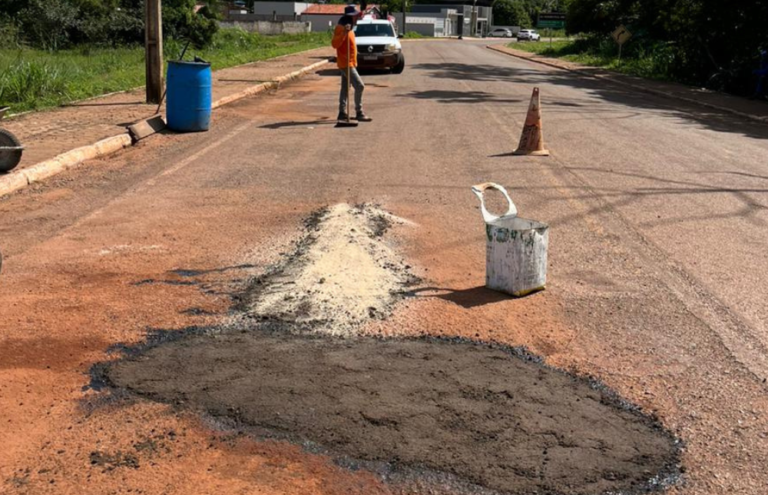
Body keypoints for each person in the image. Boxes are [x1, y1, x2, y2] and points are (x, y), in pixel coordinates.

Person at [331, 5, 372, 122]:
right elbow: (334, 44)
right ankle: (359, 112)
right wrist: (344, 32)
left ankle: (342, 112)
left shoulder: (351, 29)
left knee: (345, 88)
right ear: (349, 17)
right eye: (354, 16)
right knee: (360, 86)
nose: (356, 18)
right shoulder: (340, 28)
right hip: (345, 63)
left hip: (351, 62)